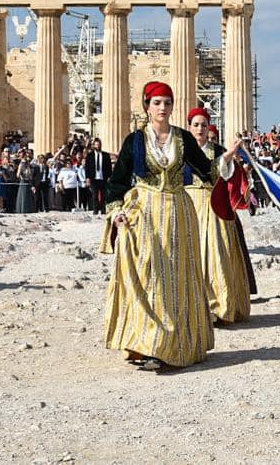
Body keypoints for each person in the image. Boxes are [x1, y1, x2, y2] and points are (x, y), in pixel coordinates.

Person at [101, 81, 240, 372]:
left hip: (179, 214)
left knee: (176, 279)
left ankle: (175, 344)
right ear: (147, 106)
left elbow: (206, 170)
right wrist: (116, 212)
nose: (162, 108)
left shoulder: (183, 139)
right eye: (157, 103)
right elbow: (117, 181)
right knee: (149, 277)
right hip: (145, 215)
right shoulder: (135, 141)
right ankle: (149, 342)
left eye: (167, 103)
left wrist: (225, 161)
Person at [184, 107, 251, 324]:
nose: (200, 129)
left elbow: (227, 174)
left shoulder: (219, 150)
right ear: (189, 127)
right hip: (189, 204)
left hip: (214, 205)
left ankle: (219, 306)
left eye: (204, 125)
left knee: (216, 253)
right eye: (196, 125)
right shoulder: (180, 151)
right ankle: (192, 307)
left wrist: (231, 154)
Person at [84, 138, 113, 215]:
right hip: (93, 178)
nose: (98, 146)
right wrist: (87, 178)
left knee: (104, 195)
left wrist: (109, 176)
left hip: (103, 177)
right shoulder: (90, 155)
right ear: (94, 145)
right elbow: (87, 167)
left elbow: (109, 167)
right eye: (96, 145)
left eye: (99, 145)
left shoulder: (106, 155)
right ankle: (95, 210)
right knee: (95, 195)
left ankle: (103, 210)